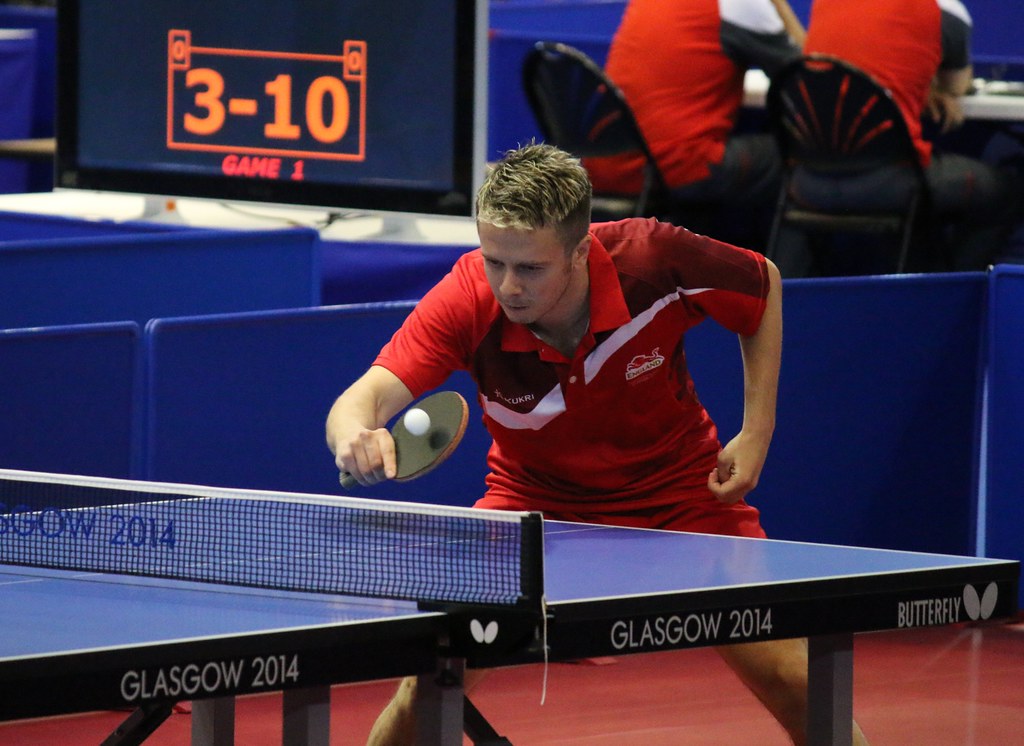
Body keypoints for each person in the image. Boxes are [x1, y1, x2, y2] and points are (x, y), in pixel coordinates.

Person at [325, 143, 867, 745]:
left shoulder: (652, 259)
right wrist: (354, 435)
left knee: (797, 685)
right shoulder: (468, 300)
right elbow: (361, 399)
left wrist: (757, 430)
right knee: (426, 690)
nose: (507, 286)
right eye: (493, 261)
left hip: (680, 496)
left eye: (529, 268)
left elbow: (761, 283)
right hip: (532, 509)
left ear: (580, 250)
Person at [776, 0, 1023, 274]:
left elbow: (837, 67)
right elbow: (957, 85)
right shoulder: (946, 12)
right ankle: (954, 294)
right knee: (1004, 192)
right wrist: (927, 84)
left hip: (806, 183)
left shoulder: (825, 4)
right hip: (892, 183)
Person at [584, 0, 806, 245]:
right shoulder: (737, 4)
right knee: (803, 159)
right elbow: (807, 82)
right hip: (675, 166)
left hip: (605, 164)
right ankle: (788, 279)